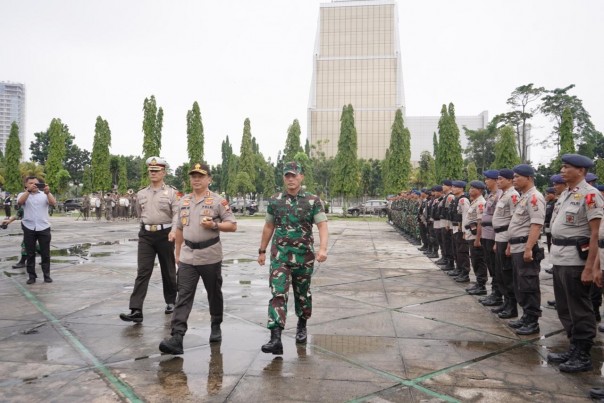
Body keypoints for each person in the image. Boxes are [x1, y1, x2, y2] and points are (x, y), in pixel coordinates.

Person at [158, 163, 237, 354]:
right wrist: (177, 254)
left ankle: (215, 323)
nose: (196, 179)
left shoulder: (218, 201)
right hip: (187, 256)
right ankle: (177, 337)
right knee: (183, 296)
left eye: (201, 176)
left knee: (213, 293)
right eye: (193, 176)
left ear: (209, 179)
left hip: (210, 255)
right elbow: (178, 229)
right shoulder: (183, 201)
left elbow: (232, 225)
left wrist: (215, 225)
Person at [257, 161, 328, 355]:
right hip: (280, 256)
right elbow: (269, 226)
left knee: (302, 293)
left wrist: (323, 248)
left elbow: (322, 225)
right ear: (284, 178)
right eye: (287, 175)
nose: (290, 179)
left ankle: (302, 324)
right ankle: (275, 337)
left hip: (304, 257)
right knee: (278, 293)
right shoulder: (275, 200)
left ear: (301, 177)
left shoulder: (313, 201)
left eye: (294, 175)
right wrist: (262, 250)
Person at [546, 154, 603, 372]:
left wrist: (590, 267)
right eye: (562, 166)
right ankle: (573, 346)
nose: (562, 170)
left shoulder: (590, 195)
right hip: (560, 258)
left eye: (567, 167)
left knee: (579, 308)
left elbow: (596, 233)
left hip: (575, 261)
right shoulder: (567, 194)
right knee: (564, 307)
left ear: (581, 171)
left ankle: (583, 353)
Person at [120, 156, 180, 323]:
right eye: (151, 171)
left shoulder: (172, 193)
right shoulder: (141, 193)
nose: (153, 173)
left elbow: (176, 214)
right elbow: (140, 214)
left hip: (165, 234)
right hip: (146, 235)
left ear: (164, 173)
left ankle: (171, 302)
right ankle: (136, 309)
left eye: (157, 171)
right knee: (143, 271)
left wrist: (174, 230)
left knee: (168, 270)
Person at [505, 164, 545, 335]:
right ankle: (525, 316)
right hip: (517, 247)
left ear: (528, 178)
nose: (514, 180)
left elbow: (536, 224)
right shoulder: (523, 197)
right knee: (520, 284)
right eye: (513, 177)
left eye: (517, 177)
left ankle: (532, 320)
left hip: (525, 248)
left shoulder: (535, 197)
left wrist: (529, 248)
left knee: (529, 284)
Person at [17, 176, 57, 284]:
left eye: (36, 183)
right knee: (30, 253)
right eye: (30, 183)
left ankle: (46, 275)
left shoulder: (44, 195)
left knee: (45, 253)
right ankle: (31, 276)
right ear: (26, 185)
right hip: (29, 227)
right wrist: (28, 191)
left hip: (43, 227)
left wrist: (48, 193)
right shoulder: (22, 195)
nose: (33, 185)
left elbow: (53, 203)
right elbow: (20, 202)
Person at [491, 169, 520, 319]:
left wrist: (509, 242)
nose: (498, 181)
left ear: (509, 180)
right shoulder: (502, 195)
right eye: (497, 179)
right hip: (499, 237)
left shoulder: (513, 195)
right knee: (501, 273)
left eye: (501, 179)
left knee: (507, 274)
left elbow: (514, 220)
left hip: (506, 236)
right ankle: (506, 302)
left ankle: (512, 306)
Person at [479, 170, 504, 307]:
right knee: (491, 265)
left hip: (493, 235)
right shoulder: (491, 195)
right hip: (486, 234)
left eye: (487, 179)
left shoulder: (500, 195)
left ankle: (497, 295)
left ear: (495, 180)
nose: (485, 182)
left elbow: (499, 218)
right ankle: (494, 293)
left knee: (496, 267)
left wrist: (495, 239)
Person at [464, 180, 488, 295]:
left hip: (476, 237)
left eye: (473, 188)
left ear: (479, 190)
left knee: (479, 260)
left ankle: (482, 285)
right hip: (471, 235)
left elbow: (480, 222)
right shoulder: (474, 202)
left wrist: (478, 239)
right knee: (474, 260)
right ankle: (478, 283)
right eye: (470, 188)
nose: (470, 190)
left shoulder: (480, 203)